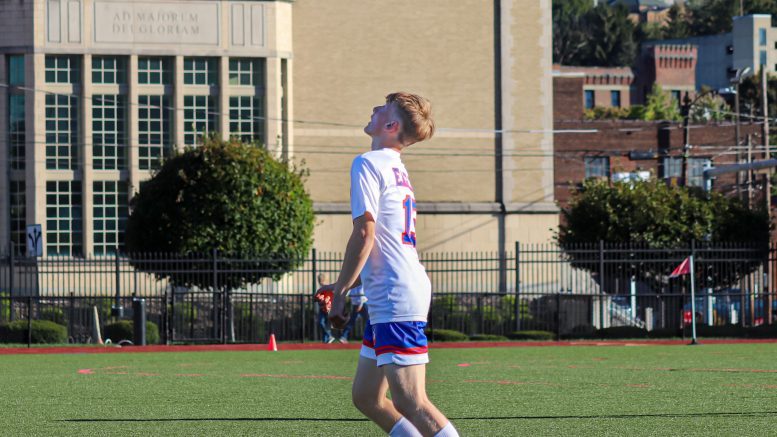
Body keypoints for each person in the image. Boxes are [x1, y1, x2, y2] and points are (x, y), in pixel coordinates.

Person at [317, 92, 458, 437]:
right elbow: (384, 243)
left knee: (411, 401)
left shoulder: (368, 162)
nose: (374, 109)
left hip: (395, 295)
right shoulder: (395, 167)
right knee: (367, 397)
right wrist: (345, 286)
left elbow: (365, 234)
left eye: (383, 108)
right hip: (394, 291)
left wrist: (340, 294)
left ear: (391, 125)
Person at [316, 273, 335, 344]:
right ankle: (326, 339)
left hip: (327, 309)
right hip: (322, 309)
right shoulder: (320, 289)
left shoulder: (327, 288)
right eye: (319, 280)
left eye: (320, 280)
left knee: (324, 323)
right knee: (321, 323)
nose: (320, 281)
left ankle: (328, 337)